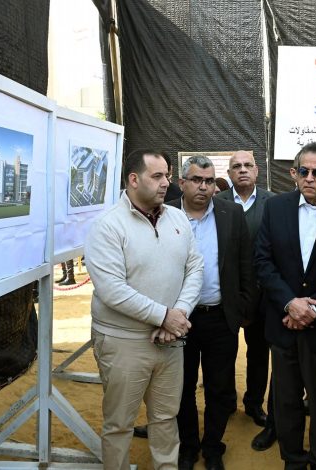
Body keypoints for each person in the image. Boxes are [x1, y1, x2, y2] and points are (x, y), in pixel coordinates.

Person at [85, 149, 203, 470]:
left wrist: (177, 314)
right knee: (119, 424)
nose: (166, 182)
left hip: (170, 341)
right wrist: (164, 316)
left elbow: (195, 268)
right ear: (134, 180)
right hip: (124, 343)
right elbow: (112, 290)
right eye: (158, 176)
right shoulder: (107, 226)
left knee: (165, 418)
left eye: (167, 175)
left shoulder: (177, 218)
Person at [255, 142, 316, 470]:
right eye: (304, 171)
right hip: (283, 323)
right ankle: (293, 459)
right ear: (294, 173)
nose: (309, 178)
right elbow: (263, 262)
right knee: (286, 400)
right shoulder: (275, 207)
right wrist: (290, 304)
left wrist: (313, 310)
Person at [166, 156, 255, 470]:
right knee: (182, 387)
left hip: (220, 317)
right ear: (182, 183)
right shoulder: (165, 214)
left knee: (219, 388)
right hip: (179, 320)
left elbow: (246, 263)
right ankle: (188, 447)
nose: (203, 187)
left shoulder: (232, 213)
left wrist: (242, 308)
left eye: (208, 181)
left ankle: (213, 447)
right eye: (196, 180)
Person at [214, 150, 277, 450]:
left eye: (247, 165)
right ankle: (226, 401)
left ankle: (254, 403)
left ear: (257, 170)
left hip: (262, 295)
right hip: (225, 293)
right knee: (223, 352)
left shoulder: (273, 203)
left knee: (259, 352)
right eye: (236, 166)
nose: (242, 170)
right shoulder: (216, 203)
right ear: (229, 173)